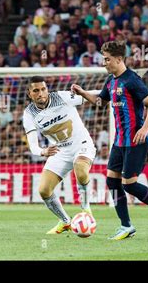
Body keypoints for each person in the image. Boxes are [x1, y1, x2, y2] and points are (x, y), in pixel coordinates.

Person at [71, 40, 148, 240]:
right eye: (103, 59)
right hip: (119, 141)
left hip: (136, 140)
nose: (104, 63)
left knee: (129, 184)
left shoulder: (131, 80)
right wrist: (83, 93)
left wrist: (145, 128)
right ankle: (126, 226)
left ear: (119, 59)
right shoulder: (111, 81)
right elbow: (101, 102)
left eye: (107, 59)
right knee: (112, 181)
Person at [22, 76, 98, 234]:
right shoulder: (29, 114)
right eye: (36, 90)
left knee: (80, 168)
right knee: (43, 190)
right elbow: (33, 144)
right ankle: (65, 222)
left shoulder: (61, 97)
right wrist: (43, 151)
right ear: (29, 94)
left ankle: (86, 209)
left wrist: (113, 93)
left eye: (43, 89)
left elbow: (92, 94)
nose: (41, 93)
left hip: (81, 144)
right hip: (59, 151)